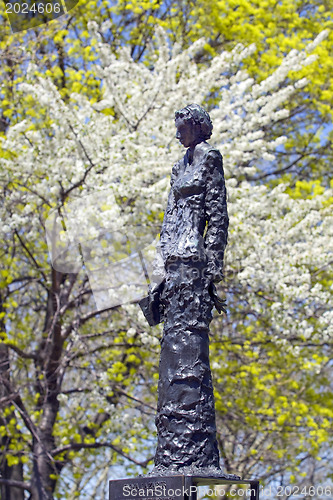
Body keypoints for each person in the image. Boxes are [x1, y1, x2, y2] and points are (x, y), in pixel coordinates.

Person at [145, 104, 230, 476]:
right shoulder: (178, 166)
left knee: (191, 352)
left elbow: (218, 214)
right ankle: (172, 457)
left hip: (195, 262)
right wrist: (163, 259)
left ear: (197, 127)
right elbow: (168, 214)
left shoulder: (210, 158)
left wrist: (211, 266)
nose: (178, 133)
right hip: (174, 261)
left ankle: (195, 459)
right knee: (172, 351)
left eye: (182, 127)